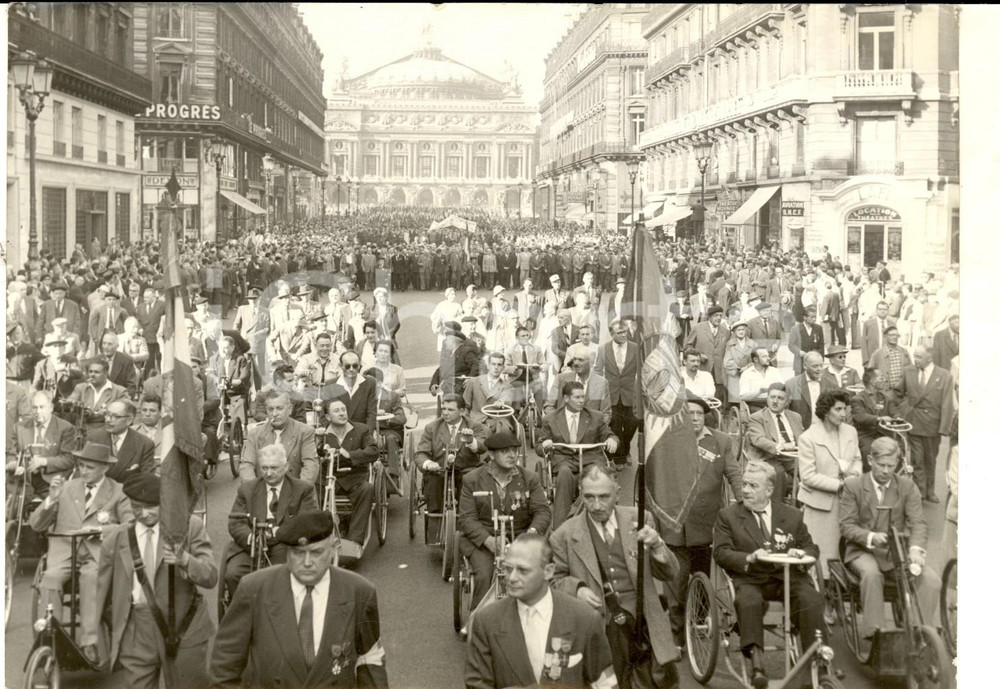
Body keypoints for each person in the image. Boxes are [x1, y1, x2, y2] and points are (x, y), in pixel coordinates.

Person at [210, 510, 388, 689]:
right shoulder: (254, 589)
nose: (307, 562)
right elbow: (225, 666)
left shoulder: (360, 592)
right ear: (287, 552)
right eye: (298, 553)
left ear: (334, 547)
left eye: (316, 552)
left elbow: (371, 663)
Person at [551, 462, 682, 689]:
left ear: (618, 493)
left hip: (644, 625)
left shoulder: (640, 520)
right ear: (581, 494)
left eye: (604, 496)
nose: (596, 505)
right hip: (600, 627)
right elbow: (553, 581)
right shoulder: (564, 535)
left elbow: (670, 573)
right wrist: (577, 588)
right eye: (589, 497)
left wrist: (659, 546)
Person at [93, 472, 217, 687]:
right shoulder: (117, 537)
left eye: (151, 506)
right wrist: (100, 636)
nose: (143, 513)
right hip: (136, 630)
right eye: (136, 506)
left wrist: (186, 560)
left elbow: (210, 576)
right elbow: (102, 592)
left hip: (183, 628)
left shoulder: (189, 527)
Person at [713, 461, 826, 689]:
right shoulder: (728, 516)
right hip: (751, 578)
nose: (745, 490)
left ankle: (819, 663)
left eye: (753, 486)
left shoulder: (792, 515)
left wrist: (800, 552)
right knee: (748, 600)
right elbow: (721, 552)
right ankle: (757, 666)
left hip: (788, 578)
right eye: (744, 484)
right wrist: (748, 558)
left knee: (811, 597)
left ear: (769, 490)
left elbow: (812, 549)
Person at [465, 532, 617, 689]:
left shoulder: (584, 618)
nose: (511, 578)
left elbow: (605, 682)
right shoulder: (486, 621)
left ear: (548, 571)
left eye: (523, 570)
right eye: (508, 569)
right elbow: (477, 684)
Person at [28, 442, 133, 661]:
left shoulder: (118, 491)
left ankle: (90, 642)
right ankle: (50, 637)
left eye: (90, 467)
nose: (83, 471)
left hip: (97, 555)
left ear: (104, 468)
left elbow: (130, 525)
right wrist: (52, 498)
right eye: (81, 465)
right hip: (65, 552)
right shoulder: (66, 488)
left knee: (91, 578)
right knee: (49, 578)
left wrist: (102, 529)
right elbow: (36, 524)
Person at [838, 437, 940, 653]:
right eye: (881, 465)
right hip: (862, 550)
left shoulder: (907, 486)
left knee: (931, 579)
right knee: (872, 574)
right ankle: (877, 636)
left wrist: (915, 550)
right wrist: (870, 537)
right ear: (869, 460)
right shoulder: (853, 486)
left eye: (891, 466)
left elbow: (918, 523)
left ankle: (917, 634)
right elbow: (847, 526)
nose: (886, 471)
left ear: (898, 464)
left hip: (897, 552)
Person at [665, 398, 742, 633]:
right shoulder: (669, 440)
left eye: (699, 413)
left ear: (705, 416)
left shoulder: (721, 441)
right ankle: (676, 630)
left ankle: (699, 622)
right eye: (690, 413)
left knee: (702, 575)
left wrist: (743, 501)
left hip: (706, 521)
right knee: (676, 580)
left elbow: (733, 473)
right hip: (676, 522)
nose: (695, 417)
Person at [458, 431, 551, 612]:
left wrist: (529, 536)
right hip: (484, 540)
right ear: (491, 455)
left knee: (534, 572)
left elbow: (542, 511)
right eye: (505, 451)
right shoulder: (472, 480)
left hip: (520, 535)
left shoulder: (529, 478)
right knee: (484, 575)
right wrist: (488, 541)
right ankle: (480, 622)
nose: (512, 455)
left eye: (515, 451)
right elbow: (467, 518)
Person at [223, 443, 319, 598]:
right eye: (264, 468)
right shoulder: (247, 489)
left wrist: (281, 532)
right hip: (252, 544)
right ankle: (242, 614)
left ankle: (275, 613)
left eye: (274, 468)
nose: (268, 473)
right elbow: (236, 522)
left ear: (286, 466)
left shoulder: (302, 489)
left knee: (278, 576)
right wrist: (250, 537)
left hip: (285, 544)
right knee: (233, 574)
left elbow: (307, 523)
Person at [797, 389, 862, 592]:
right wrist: (839, 485)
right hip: (820, 505)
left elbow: (857, 459)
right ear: (826, 411)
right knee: (821, 557)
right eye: (839, 409)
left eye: (845, 409)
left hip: (848, 503)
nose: (843, 414)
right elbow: (807, 475)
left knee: (843, 554)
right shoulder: (808, 437)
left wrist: (854, 477)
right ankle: (821, 602)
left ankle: (840, 601)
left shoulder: (850, 432)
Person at [537, 381, 618, 530]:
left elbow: (610, 435)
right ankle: (560, 528)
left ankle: (595, 519)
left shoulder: (595, 416)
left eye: (583, 397)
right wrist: (545, 445)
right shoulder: (551, 418)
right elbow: (539, 445)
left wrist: (612, 440)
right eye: (577, 397)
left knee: (597, 476)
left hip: (590, 458)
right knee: (564, 474)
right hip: (564, 460)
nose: (582, 401)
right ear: (566, 399)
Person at [415, 394, 488, 543]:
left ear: (461, 412)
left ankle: (467, 526)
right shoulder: (432, 427)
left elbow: (482, 447)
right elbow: (421, 453)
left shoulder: (474, 426)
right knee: (432, 481)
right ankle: (435, 530)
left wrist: (471, 442)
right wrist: (429, 463)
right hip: (440, 470)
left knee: (471, 481)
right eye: (443, 409)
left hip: (466, 468)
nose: (445, 413)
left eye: (450, 409)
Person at [892, 344, 955, 502]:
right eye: (915, 355)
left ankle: (930, 491)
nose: (915, 359)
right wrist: (903, 410)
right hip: (914, 422)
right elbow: (897, 393)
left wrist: (944, 428)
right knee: (917, 459)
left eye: (919, 356)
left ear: (929, 357)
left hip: (933, 425)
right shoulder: (909, 371)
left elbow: (947, 404)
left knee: (930, 459)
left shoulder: (944, 375)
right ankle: (920, 491)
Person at [321, 398, 379, 547]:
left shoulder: (361, 429)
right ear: (328, 417)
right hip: (329, 478)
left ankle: (354, 540)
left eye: (343, 410)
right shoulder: (322, 433)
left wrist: (350, 455)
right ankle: (320, 536)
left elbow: (373, 451)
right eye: (336, 411)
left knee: (367, 489)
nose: (342, 413)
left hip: (355, 477)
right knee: (310, 490)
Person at [7, 390, 76, 499]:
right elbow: (11, 453)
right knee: (11, 508)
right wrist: (13, 463)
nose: (38, 412)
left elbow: (69, 459)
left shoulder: (65, 428)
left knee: (48, 511)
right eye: (34, 407)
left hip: (50, 481)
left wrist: (43, 461)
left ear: (51, 407)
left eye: (42, 407)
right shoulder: (19, 427)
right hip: (24, 480)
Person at [240, 390, 319, 484]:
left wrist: (299, 493)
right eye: (270, 409)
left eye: (279, 408)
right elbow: (247, 465)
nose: (274, 414)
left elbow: (310, 466)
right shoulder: (254, 434)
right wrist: (255, 492)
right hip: (262, 492)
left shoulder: (305, 432)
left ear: (290, 409)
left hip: (295, 491)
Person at [746, 383, 804, 501]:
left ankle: (803, 510)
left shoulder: (795, 417)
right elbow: (758, 439)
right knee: (778, 473)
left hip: (793, 456)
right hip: (769, 456)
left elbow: (803, 438)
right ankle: (775, 509)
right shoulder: (757, 417)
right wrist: (779, 446)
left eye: (780, 398)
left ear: (787, 401)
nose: (775, 401)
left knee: (811, 471)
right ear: (767, 398)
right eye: (772, 397)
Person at [594, 319, 639, 468]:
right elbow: (598, 370)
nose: (623, 335)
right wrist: (598, 391)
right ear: (612, 334)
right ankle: (620, 458)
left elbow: (642, 370)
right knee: (616, 426)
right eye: (619, 333)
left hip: (630, 393)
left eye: (625, 332)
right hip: (611, 393)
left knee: (632, 424)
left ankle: (625, 449)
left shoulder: (635, 348)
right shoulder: (603, 349)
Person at [90, 398, 157, 482]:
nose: (108, 420)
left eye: (115, 416)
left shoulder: (144, 444)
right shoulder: (93, 437)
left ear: (129, 420)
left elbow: (146, 480)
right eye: (107, 414)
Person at [546, 354, 612, 426]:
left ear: (591, 362)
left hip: (590, 431)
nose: (576, 363)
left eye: (580, 360)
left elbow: (606, 414)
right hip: (563, 429)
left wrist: (595, 431)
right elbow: (549, 406)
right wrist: (558, 425)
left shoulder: (601, 382)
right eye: (575, 359)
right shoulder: (561, 379)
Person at [683, 305, 729, 403]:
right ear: (710, 316)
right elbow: (687, 347)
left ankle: (717, 414)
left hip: (719, 369)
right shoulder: (698, 328)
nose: (719, 318)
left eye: (721, 316)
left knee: (717, 393)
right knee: (701, 393)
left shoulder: (725, 332)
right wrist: (698, 356)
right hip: (702, 367)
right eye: (716, 315)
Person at [326, 350, 378, 429]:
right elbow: (325, 414)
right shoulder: (331, 384)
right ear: (341, 366)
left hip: (362, 433)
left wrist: (367, 436)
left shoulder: (370, 383)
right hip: (337, 432)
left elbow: (371, 414)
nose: (351, 369)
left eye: (355, 366)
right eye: (347, 366)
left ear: (359, 366)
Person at [464, 351, 517, 427]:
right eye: (493, 364)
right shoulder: (473, 382)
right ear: (488, 366)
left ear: (503, 368)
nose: (496, 367)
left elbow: (507, 398)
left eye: (499, 365)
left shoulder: (507, 386)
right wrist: (466, 423)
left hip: (497, 423)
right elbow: (465, 406)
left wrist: (501, 401)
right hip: (475, 423)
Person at [785, 351, 833, 429]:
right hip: (801, 431)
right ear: (805, 365)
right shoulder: (791, 385)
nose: (819, 369)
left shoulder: (831, 384)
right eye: (815, 366)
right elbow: (785, 413)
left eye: (821, 365)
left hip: (826, 430)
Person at [868, 325, 912, 389]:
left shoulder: (904, 352)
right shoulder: (877, 354)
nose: (895, 337)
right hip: (884, 391)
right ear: (885, 336)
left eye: (897, 335)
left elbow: (911, 371)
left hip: (901, 391)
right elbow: (870, 374)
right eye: (892, 335)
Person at [788, 306, 824, 375]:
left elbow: (821, 345)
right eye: (812, 317)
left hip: (814, 363)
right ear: (805, 317)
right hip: (800, 363)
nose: (814, 319)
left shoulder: (818, 328)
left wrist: (821, 360)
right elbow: (791, 345)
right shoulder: (796, 329)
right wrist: (799, 352)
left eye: (815, 317)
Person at [132, 395, 164, 472]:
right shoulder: (131, 431)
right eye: (144, 410)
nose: (147, 414)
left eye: (152, 411)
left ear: (160, 412)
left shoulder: (168, 432)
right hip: (139, 475)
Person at [860, 301, 895, 368]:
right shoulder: (868, 324)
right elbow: (863, 343)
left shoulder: (892, 324)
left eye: (885, 309)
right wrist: (865, 360)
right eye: (880, 309)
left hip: (888, 360)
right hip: (872, 360)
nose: (882, 311)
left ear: (888, 311)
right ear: (876, 310)